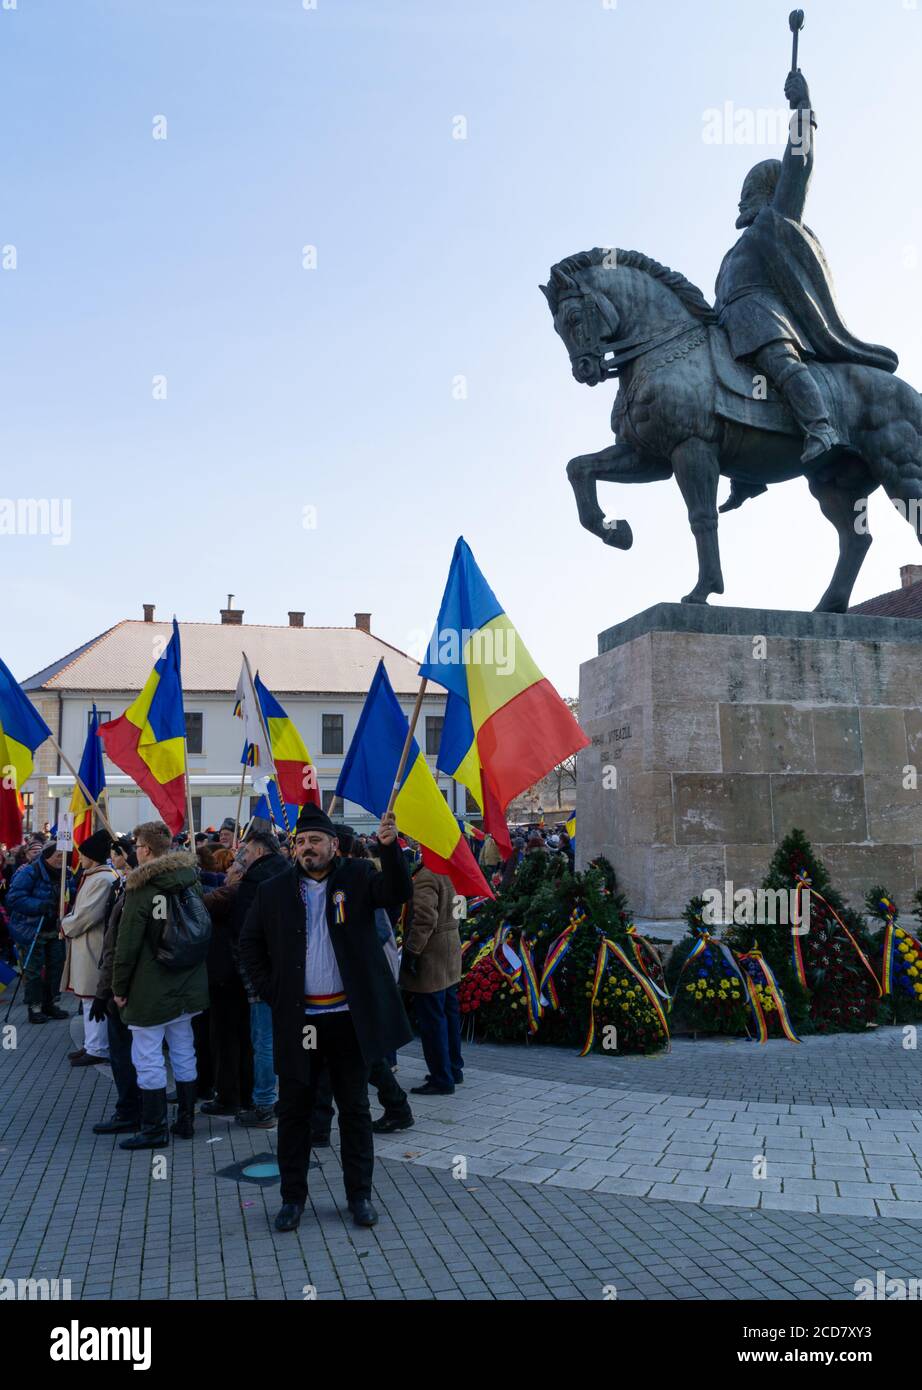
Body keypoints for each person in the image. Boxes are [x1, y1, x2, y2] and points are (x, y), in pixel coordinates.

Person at [714, 68, 897, 474]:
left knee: (780, 362)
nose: (740, 205)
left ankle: (820, 428)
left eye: (747, 196)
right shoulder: (733, 253)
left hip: (766, 324)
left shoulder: (775, 221)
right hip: (727, 328)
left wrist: (802, 108)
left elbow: (799, 163)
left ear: (764, 196)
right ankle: (746, 473)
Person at [239, 804, 412, 1233]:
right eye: (300, 842)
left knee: (353, 1109)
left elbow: (396, 893)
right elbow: (249, 943)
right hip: (304, 1023)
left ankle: (359, 1196)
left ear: (334, 844)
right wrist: (273, 991)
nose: (307, 848)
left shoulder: (357, 877)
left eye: (315, 840)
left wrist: (390, 851)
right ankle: (292, 1199)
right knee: (296, 1111)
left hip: (346, 1019)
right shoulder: (275, 889)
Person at [111, 821, 210, 1150]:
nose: (134, 851)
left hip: (151, 986)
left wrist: (119, 987)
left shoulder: (142, 887)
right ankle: (186, 1120)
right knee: (184, 1050)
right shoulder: (189, 879)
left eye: (137, 845)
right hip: (187, 981)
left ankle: (154, 1129)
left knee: (148, 1056)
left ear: (146, 850)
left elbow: (126, 947)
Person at [89, 838, 142, 1134]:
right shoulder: (127, 888)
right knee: (138, 1054)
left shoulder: (134, 893)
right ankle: (140, 1109)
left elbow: (119, 950)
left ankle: (131, 1111)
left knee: (125, 1054)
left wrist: (107, 992)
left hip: (125, 990)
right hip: (131, 987)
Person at [400, 864, 464, 1095]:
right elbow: (460, 908)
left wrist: (412, 951)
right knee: (449, 1013)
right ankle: (453, 1068)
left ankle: (441, 1077)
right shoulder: (451, 869)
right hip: (450, 947)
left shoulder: (427, 874)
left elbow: (425, 918)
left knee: (432, 1020)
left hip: (431, 953)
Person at [60, 828, 120, 1066]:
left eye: (83, 855)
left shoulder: (102, 879)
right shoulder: (95, 876)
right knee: (87, 998)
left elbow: (87, 915)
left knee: (92, 996)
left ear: (92, 856)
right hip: (86, 944)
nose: (80, 859)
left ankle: (98, 1048)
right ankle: (91, 1044)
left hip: (93, 944)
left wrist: (65, 925)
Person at [6, 841, 73, 1024]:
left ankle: (50, 1003)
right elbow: (14, 898)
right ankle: (34, 1007)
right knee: (33, 970)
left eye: (64, 855)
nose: (61, 859)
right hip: (31, 928)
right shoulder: (29, 871)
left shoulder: (65, 873)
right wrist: (39, 906)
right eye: (58, 855)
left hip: (55, 928)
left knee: (56, 966)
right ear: (47, 855)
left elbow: (71, 891)